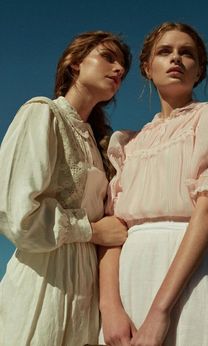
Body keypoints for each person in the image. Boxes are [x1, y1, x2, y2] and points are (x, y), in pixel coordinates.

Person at [99, 22, 208, 346]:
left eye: (186, 53)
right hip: (129, 278)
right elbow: (113, 228)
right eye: (165, 51)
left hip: (189, 278)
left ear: (198, 70)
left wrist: (161, 311)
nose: (176, 58)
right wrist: (109, 307)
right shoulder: (126, 144)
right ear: (147, 67)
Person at [0, 31, 131, 346]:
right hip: (43, 285)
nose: (119, 70)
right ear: (75, 64)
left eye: (123, 66)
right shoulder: (42, 113)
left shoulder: (100, 146)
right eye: (108, 57)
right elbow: (19, 216)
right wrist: (91, 231)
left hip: (87, 295)